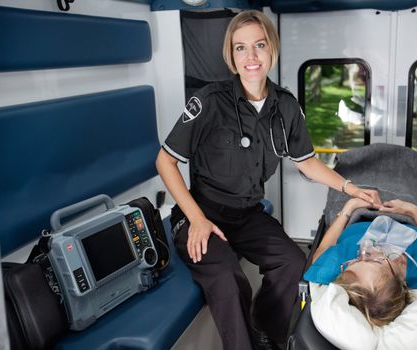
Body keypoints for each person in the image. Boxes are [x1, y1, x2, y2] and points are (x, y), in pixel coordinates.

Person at [155, 10, 380, 350]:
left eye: (259, 45)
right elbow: (165, 161)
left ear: (272, 49)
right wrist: (197, 220)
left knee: (293, 263)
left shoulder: (287, 107)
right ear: (231, 57)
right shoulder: (209, 102)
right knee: (229, 279)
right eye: (241, 48)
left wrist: (351, 188)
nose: (251, 57)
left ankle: (265, 329)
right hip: (200, 212)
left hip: (247, 214)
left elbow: (307, 163)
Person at [305, 198, 417, 327]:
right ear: (401, 281)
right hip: (410, 213)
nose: (364, 251)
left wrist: (349, 208)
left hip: (358, 212)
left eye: (357, 260)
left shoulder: (343, 270)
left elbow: (320, 253)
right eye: (375, 261)